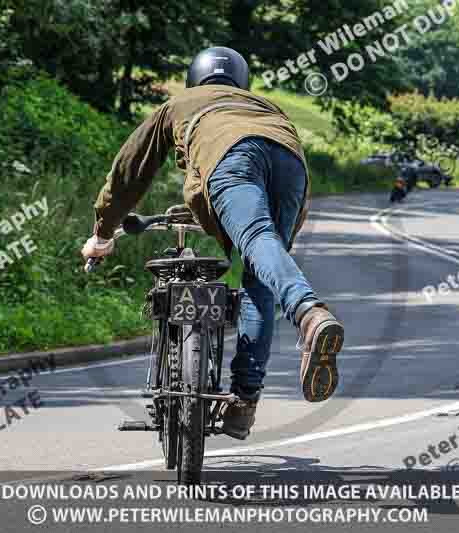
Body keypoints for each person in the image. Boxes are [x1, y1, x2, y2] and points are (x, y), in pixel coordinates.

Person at [81, 46, 344, 440]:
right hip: (290, 163)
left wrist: (102, 234)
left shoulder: (181, 103)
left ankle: (309, 314)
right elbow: (282, 196)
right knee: (258, 273)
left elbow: (129, 171)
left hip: (231, 158)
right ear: (240, 82)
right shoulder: (263, 105)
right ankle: (243, 403)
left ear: (194, 78)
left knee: (255, 238)